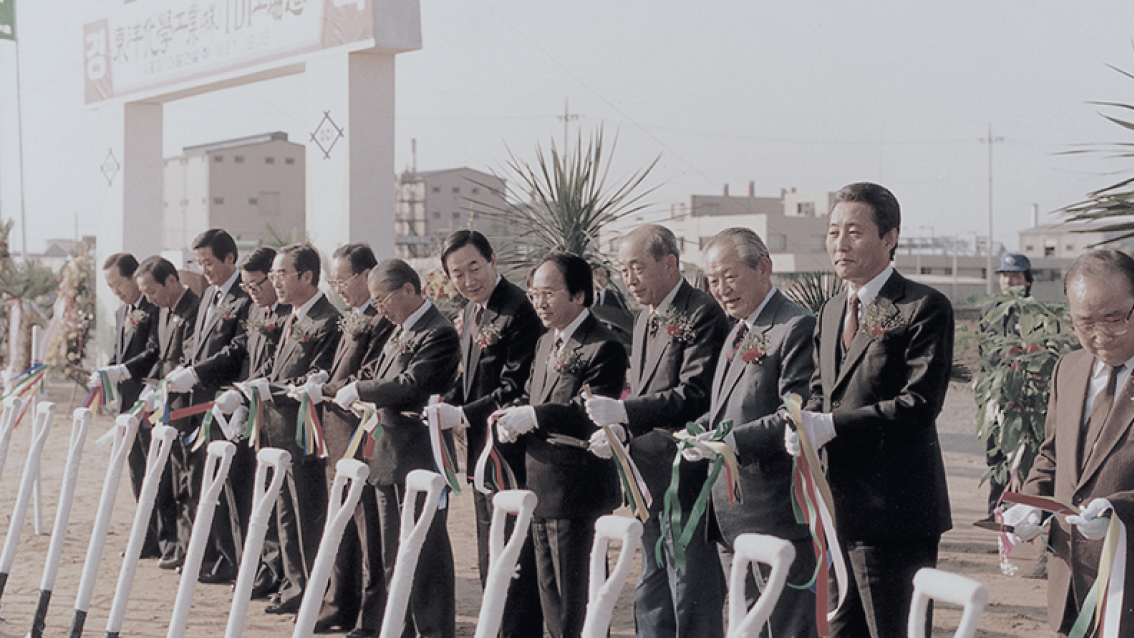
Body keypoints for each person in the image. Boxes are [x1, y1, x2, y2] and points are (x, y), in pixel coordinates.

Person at [785, 182, 953, 638]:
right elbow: (820, 391)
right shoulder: (830, 311)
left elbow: (919, 404)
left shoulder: (923, 306)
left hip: (895, 513)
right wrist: (801, 424)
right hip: (838, 509)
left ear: (890, 237)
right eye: (833, 231)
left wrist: (831, 425)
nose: (840, 244)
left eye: (854, 232)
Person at [585, 224, 729, 638]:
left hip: (686, 475)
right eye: (623, 270)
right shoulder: (644, 318)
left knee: (691, 590)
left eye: (637, 267)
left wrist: (624, 412)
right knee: (652, 588)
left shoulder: (701, 312)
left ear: (669, 263)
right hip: (648, 478)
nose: (629, 278)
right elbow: (649, 394)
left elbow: (693, 394)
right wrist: (623, 432)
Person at [494, 252, 627, 638]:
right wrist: (513, 417)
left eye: (549, 293)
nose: (539, 303)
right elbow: (532, 395)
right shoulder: (544, 342)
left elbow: (592, 411)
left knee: (575, 604)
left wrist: (535, 416)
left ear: (579, 295)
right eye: (534, 294)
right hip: (540, 484)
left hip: (576, 490)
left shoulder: (604, 345)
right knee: (551, 599)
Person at [692, 227, 817, 637]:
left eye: (730, 276)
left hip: (774, 511)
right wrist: (701, 433)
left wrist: (732, 442)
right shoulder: (737, 329)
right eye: (713, 280)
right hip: (732, 512)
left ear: (764, 268)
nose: (721, 289)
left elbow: (794, 412)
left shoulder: (795, 325)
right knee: (745, 625)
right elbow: (729, 408)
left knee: (784, 626)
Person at [1007, 250, 1134, 635]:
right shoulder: (1069, 368)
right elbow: (1051, 455)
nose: (1101, 335)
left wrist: (1118, 512)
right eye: (1085, 323)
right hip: (1070, 585)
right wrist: (1030, 503)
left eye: (1114, 318)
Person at [332, 259, 460, 638]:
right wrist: (350, 384)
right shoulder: (398, 329)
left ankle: (433, 631)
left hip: (418, 455)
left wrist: (361, 389)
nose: (379, 308)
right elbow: (380, 374)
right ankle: (399, 629)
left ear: (408, 289)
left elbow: (412, 384)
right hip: (387, 455)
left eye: (381, 299)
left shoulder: (437, 332)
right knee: (393, 555)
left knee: (425, 555)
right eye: (373, 302)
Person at [429, 230, 544, 638]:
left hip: (511, 451)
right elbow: (472, 379)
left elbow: (514, 386)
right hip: (480, 451)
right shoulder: (472, 311)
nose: (468, 280)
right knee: (488, 544)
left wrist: (462, 414)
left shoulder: (519, 309)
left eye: (474, 267)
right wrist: (443, 404)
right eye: (457, 274)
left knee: (512, 549)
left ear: (492, 259)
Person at [312, 243, 395, 636]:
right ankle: (338, 604)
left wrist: (328, 389)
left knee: (369, 535)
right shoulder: (353, 317)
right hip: (338, 437)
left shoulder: (382, 320)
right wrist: (322, 381)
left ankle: (371, 616)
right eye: (334, 281)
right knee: (341, 527)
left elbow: (368, 374)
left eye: (342, 280)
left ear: (366, 275)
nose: (338, 288)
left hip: (363, 439)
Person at [165, 228, 252, 584]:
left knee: (228, 485)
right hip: (200, 402)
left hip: (225, 402)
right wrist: (186, 369)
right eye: (199, 263)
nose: (204, 270)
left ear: (230, 258)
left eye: (209, 262)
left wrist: (197, 372)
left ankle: (233, 560)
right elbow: (197, 345)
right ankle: (214, 554)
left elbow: (236, 349)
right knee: (205, 481)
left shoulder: (244, 297)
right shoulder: (208, 295)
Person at [260, 243, 342, 615]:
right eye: (273, 274)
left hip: (305, 433)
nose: (274, 281)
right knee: (285, 511)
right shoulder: (290, 316)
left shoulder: (327, 320)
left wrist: (272, 389)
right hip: (278, 430)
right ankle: (293, 585)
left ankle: (313, 588)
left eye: (281, 273)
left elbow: (315, 377)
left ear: (307, 276)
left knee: (308, 513)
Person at [92, 253, 161, 557]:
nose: (115, 291)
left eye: (117, 284)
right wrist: (106, 371)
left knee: (151, 469)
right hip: (126, 404)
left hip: (148, 402)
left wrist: (122, 370)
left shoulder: (154, 308)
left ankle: (159, 536)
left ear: (134, 276)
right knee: (135, 468)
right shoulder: (123, 312)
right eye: (109, 286)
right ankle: (145, 536)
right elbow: (119, 354)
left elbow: (153, 352)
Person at [135, 255, 200, 570]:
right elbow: (161, 358)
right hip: (165, 406)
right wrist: (150, 387)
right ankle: (174, 543)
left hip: (187, 406)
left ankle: (188, 548)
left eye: (152, 291)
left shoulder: (194, 309)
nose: (149, 299)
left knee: (187, 481)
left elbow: (187, 358)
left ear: (171, 281)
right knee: (170, 478)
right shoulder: (162, 312)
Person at [980, 252, 1035, 515]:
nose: (1008, 281)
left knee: (1024, 455)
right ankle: (996, 510)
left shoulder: (1035, 312)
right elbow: (983, 353)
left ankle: (1023, 510)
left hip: (1026, 395)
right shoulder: (988, 311)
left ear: (1027, 281)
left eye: (1015, 275)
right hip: (996, 393)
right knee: (995, 453)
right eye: (1004, 275)